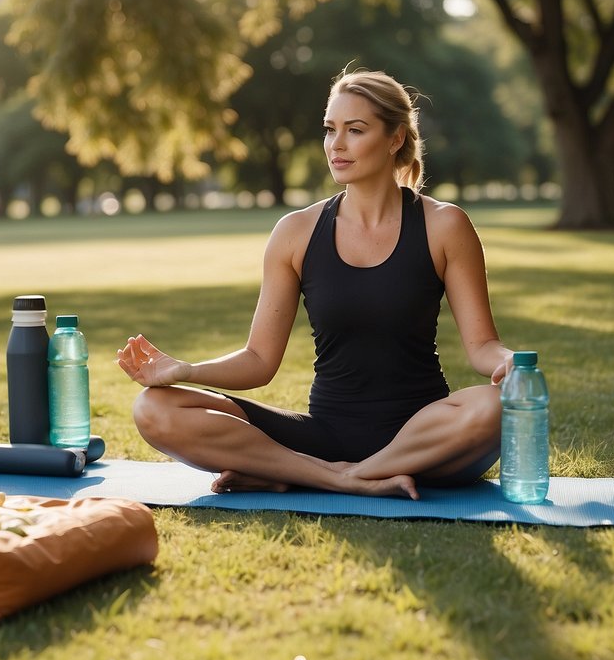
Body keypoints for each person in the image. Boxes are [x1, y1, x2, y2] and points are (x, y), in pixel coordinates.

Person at [117, 68, 515, 499]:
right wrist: (187, 370)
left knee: (499, 406)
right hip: (325, 435)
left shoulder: (444, 225)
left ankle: (317, 474)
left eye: (355, 130)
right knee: (155, 409)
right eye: (329, 130)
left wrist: (511, 362)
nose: (336, 145)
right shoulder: (296, 232)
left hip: (426, 436)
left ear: (395, 138)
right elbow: (258, 359)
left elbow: (481, 347)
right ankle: (338, 477)